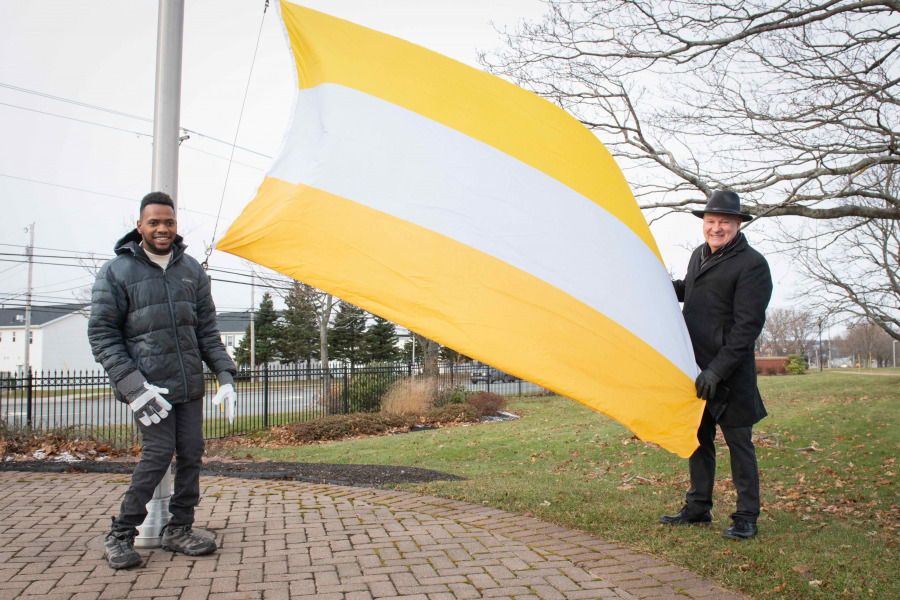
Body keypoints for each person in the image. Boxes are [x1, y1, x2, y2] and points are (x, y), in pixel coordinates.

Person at [88, 191, 238, 569]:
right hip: (149, 389)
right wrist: (133, 387)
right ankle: (121, 534)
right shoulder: (116, 272)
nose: (162, 228)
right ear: (139, 226)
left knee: (191, 453)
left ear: (176, 224)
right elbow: (103, 335)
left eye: (168, 222)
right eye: (153, 222)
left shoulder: (191, 270)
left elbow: (206, 330)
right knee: (156, 456)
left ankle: (179, 529)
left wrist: (225, 375)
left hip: (188, 385)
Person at [659, 190, 772, 541]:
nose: (717, 228)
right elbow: (689, 292)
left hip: (729, 373)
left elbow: (746, 329)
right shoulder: (698, 255)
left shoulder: (752, 264)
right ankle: (698, 508)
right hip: (694, 367)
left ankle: (746, 517)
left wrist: (717, 371)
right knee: (698, 440)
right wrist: (656, 282)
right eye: (711, 221)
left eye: (725, 222)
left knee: (740, 445)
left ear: (738, 224)